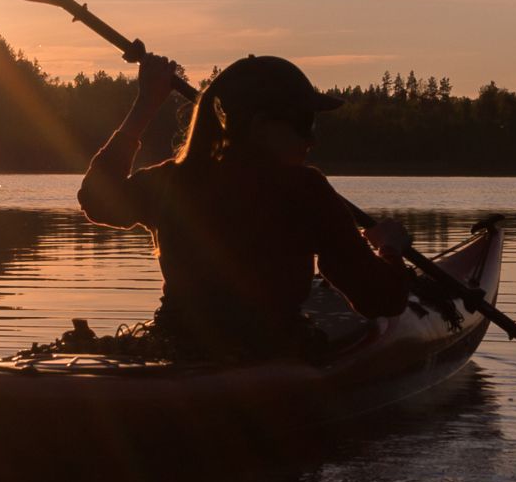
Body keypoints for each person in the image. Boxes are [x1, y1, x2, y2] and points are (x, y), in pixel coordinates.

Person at [78, 48, 414, 361]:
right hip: (271, 351)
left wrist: (145, 104)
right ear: (260, 126)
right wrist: (389, 249)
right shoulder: (305, 189)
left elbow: (96, 200)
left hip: (177, 347)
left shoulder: (173, 181)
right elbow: (381, 299)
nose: (312, 138)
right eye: (303, 123)